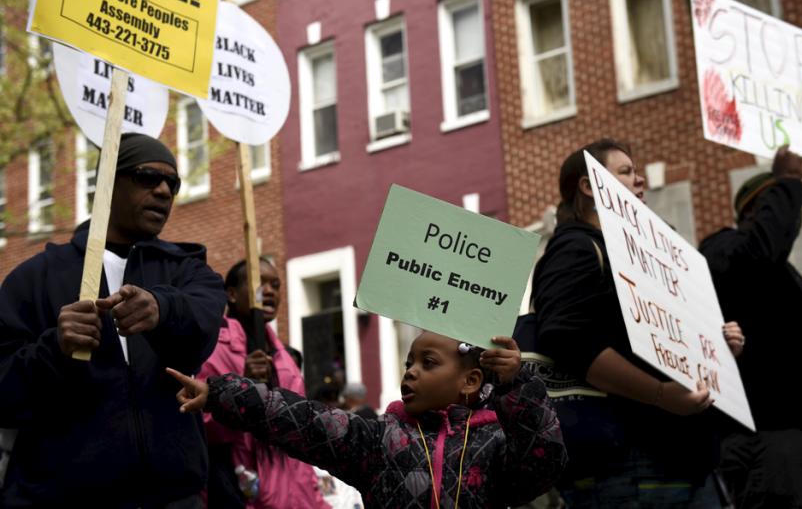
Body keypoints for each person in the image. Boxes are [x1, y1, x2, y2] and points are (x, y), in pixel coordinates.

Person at [0, 133, 227, 507]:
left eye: (172, 183)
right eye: (146, 177)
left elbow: (202, 323)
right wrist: (54, 349)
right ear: (108, 181)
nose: (163, 191)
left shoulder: (187, 271)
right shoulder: (34, 278)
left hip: (172, 498)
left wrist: (162, 308)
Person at [533, 138, 745, 507]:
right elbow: (566, 338)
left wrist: (718, 347)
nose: (640, 179)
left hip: (688, 461)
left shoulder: (646, 257)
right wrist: (660, 394)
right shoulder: (578, 247)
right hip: (630, 466)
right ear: (588, 185)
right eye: (626, 171)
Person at [167, 331, 568, 508]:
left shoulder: (496, 444)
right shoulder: (378, 439)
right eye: (409, 362)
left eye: (428, 364)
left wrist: (518, 384)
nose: (410, 372)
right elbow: (301, 418)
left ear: (470, 380)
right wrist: (220, 394)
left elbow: (543, 462)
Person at [699, 146, 802, 508]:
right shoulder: (726, 249)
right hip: (774, 445)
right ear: (758, 209)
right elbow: (758, 255)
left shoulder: (783, 275)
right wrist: (787, 181)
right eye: (783, 205)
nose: (793, 216)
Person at [201, 257, 329, 509]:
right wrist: (242, 390)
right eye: (260, 282)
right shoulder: (214, 348)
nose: (270, 290)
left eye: (276, 284)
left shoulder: (286, 358)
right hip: (244, 495)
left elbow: (300, 437)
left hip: (300, 498)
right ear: (232, 294)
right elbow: (202, 427)